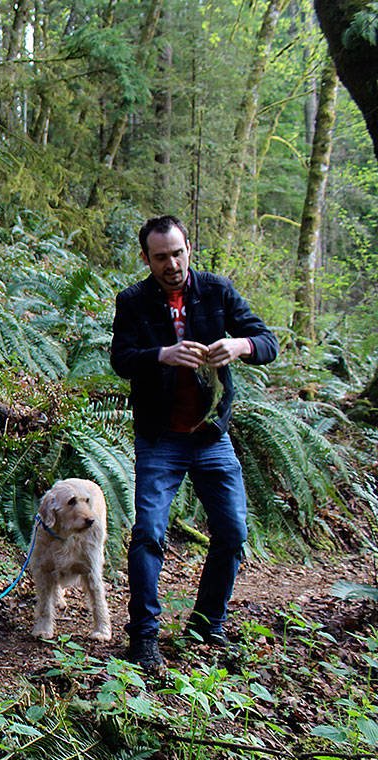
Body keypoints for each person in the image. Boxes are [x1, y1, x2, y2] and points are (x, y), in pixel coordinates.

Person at [110, 215, 278, 670]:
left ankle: (207, 625)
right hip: (160, 437)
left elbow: (269, 342)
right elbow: (121, 360)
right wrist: (161, 355)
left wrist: (239, 346)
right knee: (148, 533)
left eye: (178, 253)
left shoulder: (216, 290)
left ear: (189, 249)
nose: (172, 264)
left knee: (233, 532)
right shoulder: (134, 301)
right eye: (161, 256)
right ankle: (143, 637)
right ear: (146, 259)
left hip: (211, 436)